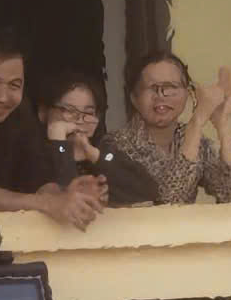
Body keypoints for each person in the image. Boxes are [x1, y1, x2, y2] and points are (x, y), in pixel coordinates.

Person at [0, 30, 104, 227]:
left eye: (14, 85)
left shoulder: (19, 115)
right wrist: (46, 203)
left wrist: (65, 196)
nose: (2, 97)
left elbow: (37, 176)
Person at [112, 50, 231, 205]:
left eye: (171, 87)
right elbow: (168, 204)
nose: (161, 95)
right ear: (134, 98)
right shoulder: (117, 146)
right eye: (151, 87)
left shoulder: (194, 141)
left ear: (187, 93)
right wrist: (197, 121)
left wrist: (223, 126)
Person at [36, 71, 160, 207]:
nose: (79, 120)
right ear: (43, 112)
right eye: (69, 111)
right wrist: (59, 144)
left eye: (88, 113)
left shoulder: (103, 152)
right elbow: (68, 198)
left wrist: (96, 156)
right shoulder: (32, 156)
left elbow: (150, 192)